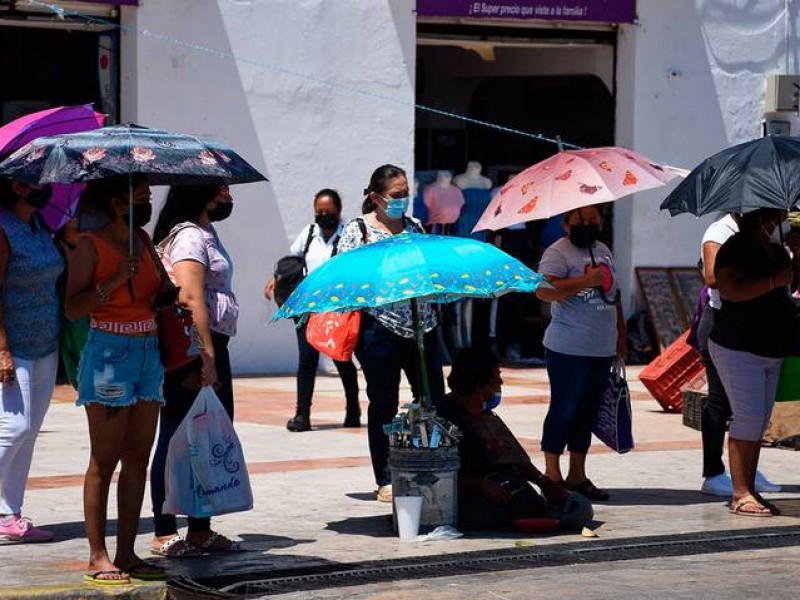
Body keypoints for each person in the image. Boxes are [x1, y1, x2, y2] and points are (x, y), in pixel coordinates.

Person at [65, 175, 167, 584]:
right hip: (109, 353)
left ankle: (127, 551)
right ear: (116, 203)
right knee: (104, 460)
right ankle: (97, 554)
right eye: (141, 196)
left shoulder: (142, 241)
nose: (147, 202)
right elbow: (73, 308)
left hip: (148, 352)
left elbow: (157, 291)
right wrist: (110, 283)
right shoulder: (89, 247)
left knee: (137, 461)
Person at [337, 164, 444, 503]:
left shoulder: (414, 227)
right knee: (383, 403)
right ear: (376, 197)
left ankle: (430, 461)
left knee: (432, 398)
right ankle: (385, 476)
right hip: (379, 328)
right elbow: (346, 277)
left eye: (405, 195)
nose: (402, 202)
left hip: (422, 325)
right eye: (396, 196)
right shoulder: (358, 231)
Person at [149, 184, 243, 557]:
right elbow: (190, 298)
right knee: (176, 436)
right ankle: (163, 529)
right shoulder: (189, 236)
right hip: (194, 347)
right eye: (221, 190)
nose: (227, 198)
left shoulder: (205, 232)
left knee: (207, 438)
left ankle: (200, 529)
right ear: (201, 193)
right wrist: (205, 356)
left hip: (212, 344)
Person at [437, 347, 593, 531]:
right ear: (480, 387)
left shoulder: (485, 416)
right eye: (497, 376)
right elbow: (432, 477)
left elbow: (512, 456)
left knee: (578, 508)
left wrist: (543, 482)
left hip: (502, 486)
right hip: (459, 497)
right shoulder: (441, 421)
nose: (500, 381)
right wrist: (479, 484)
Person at [709, 208, 796, 517]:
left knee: (759, 421)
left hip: (770, 348)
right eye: (777, 217)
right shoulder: (736, 248)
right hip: (738, 347)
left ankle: (749, 487)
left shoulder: (776, 250)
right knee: (747, 418)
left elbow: (792, 287)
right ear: (763, 220)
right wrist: (773, 280)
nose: (781, 223)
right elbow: (729, 290)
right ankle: (740, 492)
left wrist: (795, 255)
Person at [535, 205, 625, 502]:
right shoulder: (557, 253)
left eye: (592, 219)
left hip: (601, 346)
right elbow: (544, 290)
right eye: (579, 220)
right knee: (564, 409)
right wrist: (586, 281)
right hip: (568, 346)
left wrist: (620, 334)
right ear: (566, 224)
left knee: (586, 412)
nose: (587, 224)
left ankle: (577, 474)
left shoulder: (603, 250)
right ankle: (552, 474)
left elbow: (615, 295)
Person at [696, 213, 781, 497]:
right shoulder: (721, 232)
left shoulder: (771, 242)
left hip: (758, 332)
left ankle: (744, 472)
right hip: (723, 325)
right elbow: (712, 276)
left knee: (753, 412)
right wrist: (766, 278)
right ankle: (715, 472)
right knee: (721, 403)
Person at [264, 189, 361, 432]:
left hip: (337, 308)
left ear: (338, 211)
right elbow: (292, 260)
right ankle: (302, 414)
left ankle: (353, 409)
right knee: (307, 360)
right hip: (307, 308)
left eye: (329, 212)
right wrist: (275, 279)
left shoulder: (347, 236)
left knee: (341, 359)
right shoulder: (309, 234)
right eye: (319, 212)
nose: (324, 216)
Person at [0, 178, 63, 543]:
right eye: (35, 180)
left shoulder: (40, 225)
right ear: (17, 188)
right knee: (14, 429)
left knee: (30, 435)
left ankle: (10, 514)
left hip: (45, 342)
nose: (45, 185)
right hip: (15, 346)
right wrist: (3, 349)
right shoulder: (3, 229)